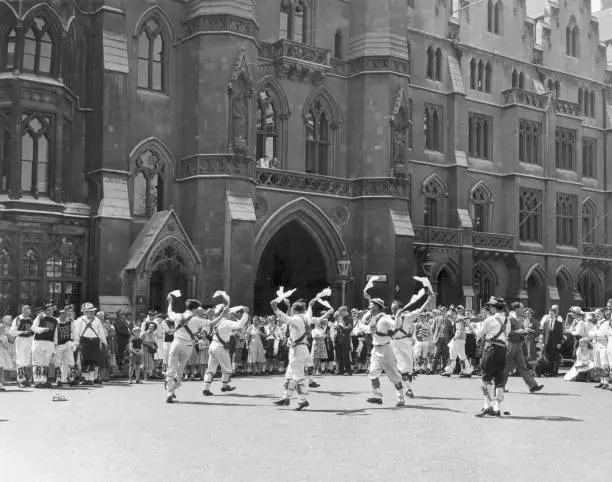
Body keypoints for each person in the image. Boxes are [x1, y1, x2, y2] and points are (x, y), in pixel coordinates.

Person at [165, 293, 215, 403]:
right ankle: (174, 387)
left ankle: (169, 392)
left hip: (176, 343)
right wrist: (218, 315)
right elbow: (211, 323)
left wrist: (170, 302)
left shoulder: (178, 316)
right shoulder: (197, 319)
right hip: (187, 345)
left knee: (171, 368)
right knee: (180, 369)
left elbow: (169, 312)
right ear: (195, 309)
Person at [358, 298, 406, 407]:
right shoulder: (372, 317)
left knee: (394, 375)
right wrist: (362, 322)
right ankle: (378, 396)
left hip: (387, 349)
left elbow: (396, 326)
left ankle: (401, 398)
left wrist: (398, 316)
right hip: (376, 349)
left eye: (372, 304)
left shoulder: (385, 318)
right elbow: (367, 329)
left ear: (377, 306)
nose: (369, 305)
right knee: (372, 373)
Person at [392, 278, 433, 398]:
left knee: (409, 368)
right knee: (402, 368)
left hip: (406, 343)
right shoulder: (389, 318)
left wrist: (429, 298)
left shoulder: (408, 317)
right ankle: (406, 390)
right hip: (395, 344)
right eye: (392, 308)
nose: (393, 310)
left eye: (395, 308)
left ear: (400, 308)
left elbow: (420, 311)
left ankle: (408, 385)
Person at [271, 298, 312, 410]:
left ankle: (302, 400)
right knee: (289, 375)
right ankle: (286, 397)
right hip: (300, 348)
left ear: (295, 310)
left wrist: (276, 309)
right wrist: (311, 305)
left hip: (297, 350)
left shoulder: (297, 319)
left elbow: (286, 319)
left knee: (298, 376)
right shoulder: (305, 318)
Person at [202, 305, 249, 396]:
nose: (231, 314)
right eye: (229, 313)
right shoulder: (226, 322)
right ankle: (224, 385)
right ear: (224, 313)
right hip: (220, 347)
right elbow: (240, 325)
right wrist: (246, 313)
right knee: (228, 369)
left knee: (211, 368)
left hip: (213, 345)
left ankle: (205, 388)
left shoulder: (217, 321)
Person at [475, 296, 510, 418]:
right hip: (502, 350)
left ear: (494, 307)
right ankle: (497, 407)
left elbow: (479, 334)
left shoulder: (489, 320)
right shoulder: (507, 320)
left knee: (486, 378)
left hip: (491, 349)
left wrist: (475, 327)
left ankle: (487, 406)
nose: (489, 307)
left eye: (490, 306)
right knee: (499, 378)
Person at [502, 302, 544, 394]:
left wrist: (524, 333)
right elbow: (506, 333)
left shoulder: (521, 319)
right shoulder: (509, 319)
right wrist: (518, 331)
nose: (523, 310)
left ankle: (533, 386)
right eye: (522, 308)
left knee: (523, 366)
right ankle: (500, 386)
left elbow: (521, 332)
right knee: (506, 367)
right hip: (510, 344)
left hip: (518, 345)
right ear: (516, 309)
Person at [73, 302, 108, 386]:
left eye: (93, 311)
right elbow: (77, 332)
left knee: (93, 360)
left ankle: (91, 379)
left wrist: (104, 342)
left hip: (94, 341)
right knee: (84, 360)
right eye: (90, 311)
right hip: (84, 341)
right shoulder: (80, 320)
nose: (92, 313)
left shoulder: (97, 320)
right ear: (85, 312)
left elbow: (101, 332)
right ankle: (85, 378)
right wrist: (76, 342)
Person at [31, 303, 58, 388]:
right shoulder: (40, 317)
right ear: (45, 310)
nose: (50, 311)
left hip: (49, 343)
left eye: (52, 310)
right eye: (48, 310)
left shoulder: (55, 320)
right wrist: (42, 329)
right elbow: (33, 328)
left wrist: (55, 344)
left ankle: (44, 380)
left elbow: (56, 333)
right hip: (39, 341)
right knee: (38, 362)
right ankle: (37, 381)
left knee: (46, 362)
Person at [442, 307, 473, 378]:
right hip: (462, 338)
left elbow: (459, 329)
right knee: (462, 356)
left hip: (458, 338)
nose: (449, 315)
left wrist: (455, 337)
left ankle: (448, 371)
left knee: (452, 354)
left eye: (451, 312)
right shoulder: (460, 318)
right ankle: (467, 371)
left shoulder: (458, 318)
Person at [10, 305, 34, 388]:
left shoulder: (30, 319)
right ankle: (21, 380)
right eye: (27, 311)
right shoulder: (18, 319)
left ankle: (26, 379)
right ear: (23, 310)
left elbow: (32, 331)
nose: (29, 313)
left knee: (27, 360)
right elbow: (12, 332)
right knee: (21, 360)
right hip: (21, 340)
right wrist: (22, 332)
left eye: (29, 311)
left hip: (29, 340)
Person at [55, 308, 77, 387]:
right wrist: (55, 344)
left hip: (67, 344)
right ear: (59, 315)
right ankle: (58, 380)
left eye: (65, 314)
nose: (63, 316)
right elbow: (54, 334)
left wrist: (75, 343)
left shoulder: (70, 322)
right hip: (58, 345)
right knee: (58, 363)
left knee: (70, 362)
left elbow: (74, 333)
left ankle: (70, 378)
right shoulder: (56, 322)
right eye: (62, 314)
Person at [540, 305, 563, 377]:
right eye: (549, 313)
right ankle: (547, 372)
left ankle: (554, 372)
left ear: (555, 314)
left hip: (555, 343)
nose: (550, 315)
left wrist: (559, 343)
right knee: (547, 357)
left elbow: (561, 334)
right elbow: (543, 333)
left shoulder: (559, 323)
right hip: (547, 342)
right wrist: (543, 343)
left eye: (552, 313)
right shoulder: (546, 322)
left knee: (554, 358)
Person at [590, 308, 610, 389]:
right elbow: (590, 332)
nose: (596, 315)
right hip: (596, 344)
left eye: (598, 313)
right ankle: (601, 381)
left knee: (604, 364)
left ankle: (606, 382)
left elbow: (603, 334)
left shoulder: (606, 323)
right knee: (597, 363)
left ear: (603, 313)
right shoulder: (596, 323)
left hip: (603, 345)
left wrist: (595, 334)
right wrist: (595, 334)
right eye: (595, 314)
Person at [0, 315, 13, 391]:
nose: (10, 321)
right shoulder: (1, 326)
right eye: (9, 319)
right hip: (1, 349)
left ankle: (0, 384)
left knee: (1, 368)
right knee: (0, 368)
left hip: (2, 350)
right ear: (4, 320)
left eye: (11, 320)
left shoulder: (8, 329)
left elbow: (11, 340)